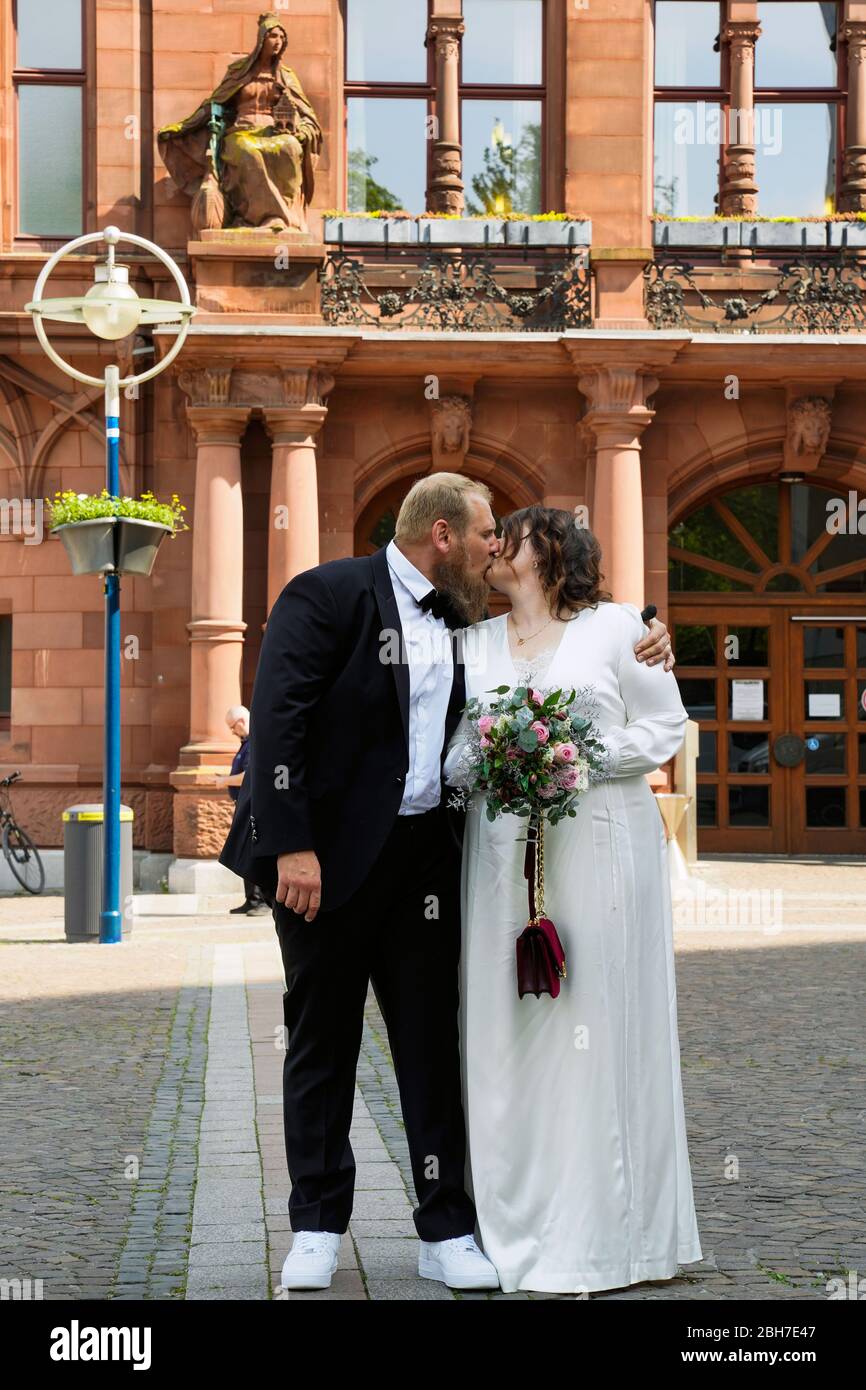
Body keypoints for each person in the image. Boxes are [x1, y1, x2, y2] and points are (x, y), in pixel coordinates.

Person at [218, 474, 675, 1291]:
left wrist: (649, 631)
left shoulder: (471, 622)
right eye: (484, 533)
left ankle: (445, 1227)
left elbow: (569, 636)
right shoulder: (325, 594)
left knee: (432, 1045)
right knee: (322, 1042)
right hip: (322, 867)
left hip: (432, 863)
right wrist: (291, 848)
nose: (494, 546)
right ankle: (317, 1225)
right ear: (442, 536)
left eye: (505, 537)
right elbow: (278, 717)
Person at [443, 507, 703, 1295]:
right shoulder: (470, 645)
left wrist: (574, 759)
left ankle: (609, 1231)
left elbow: (666, 726)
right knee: (506, 1027)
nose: (494, 547)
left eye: (508, 536)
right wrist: (488, 759)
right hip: (499, 859)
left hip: (603, 846)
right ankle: (513, 1225)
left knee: (598, 1021)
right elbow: (450, 751)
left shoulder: (621, 629)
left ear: (550, 552)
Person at [216, 706, 269, 916]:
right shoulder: (245, 745)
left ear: (240, 721)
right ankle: (252, 899)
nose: (232, 732)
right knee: (244, 852)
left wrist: (223, 781)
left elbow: (248, 775)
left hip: (253, 807)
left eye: (232, 727)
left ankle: (261, 901)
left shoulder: (254, 744)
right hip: (244, 805)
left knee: (252, 852)